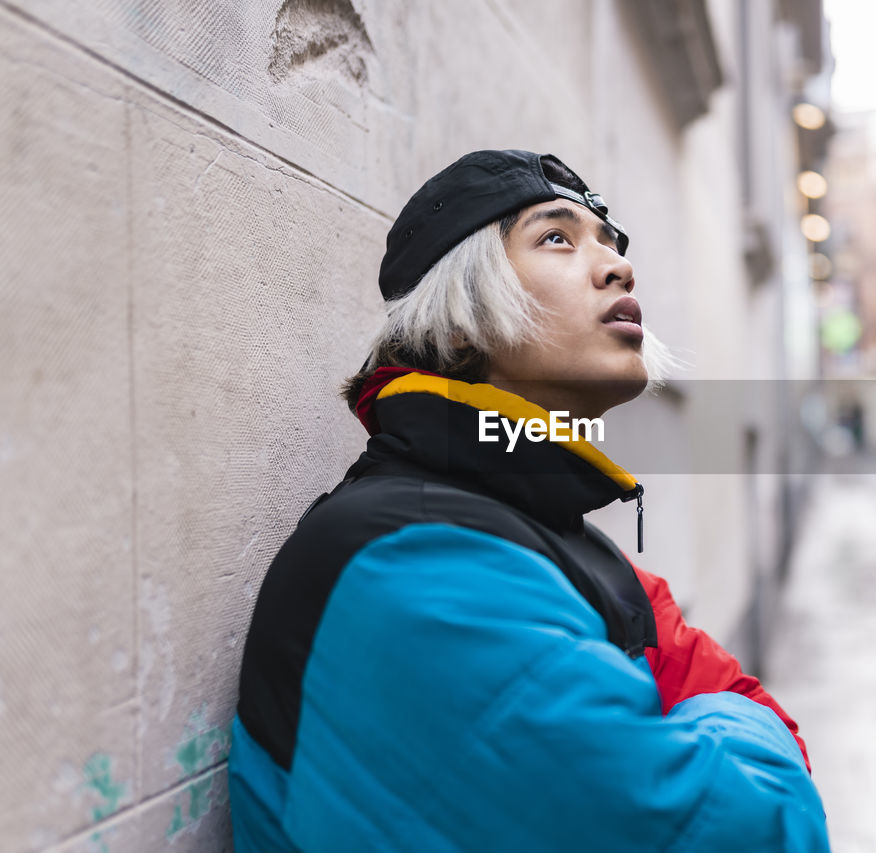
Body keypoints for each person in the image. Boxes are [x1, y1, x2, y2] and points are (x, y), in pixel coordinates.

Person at [229, 149, 829, 851]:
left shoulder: (554, 540)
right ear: (457, 321)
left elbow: (753, 722)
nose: (617, 266)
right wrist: (717, 724)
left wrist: (711, 726)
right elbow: (751, 827)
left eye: (608, 241)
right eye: (557, 238)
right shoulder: (412, 557)